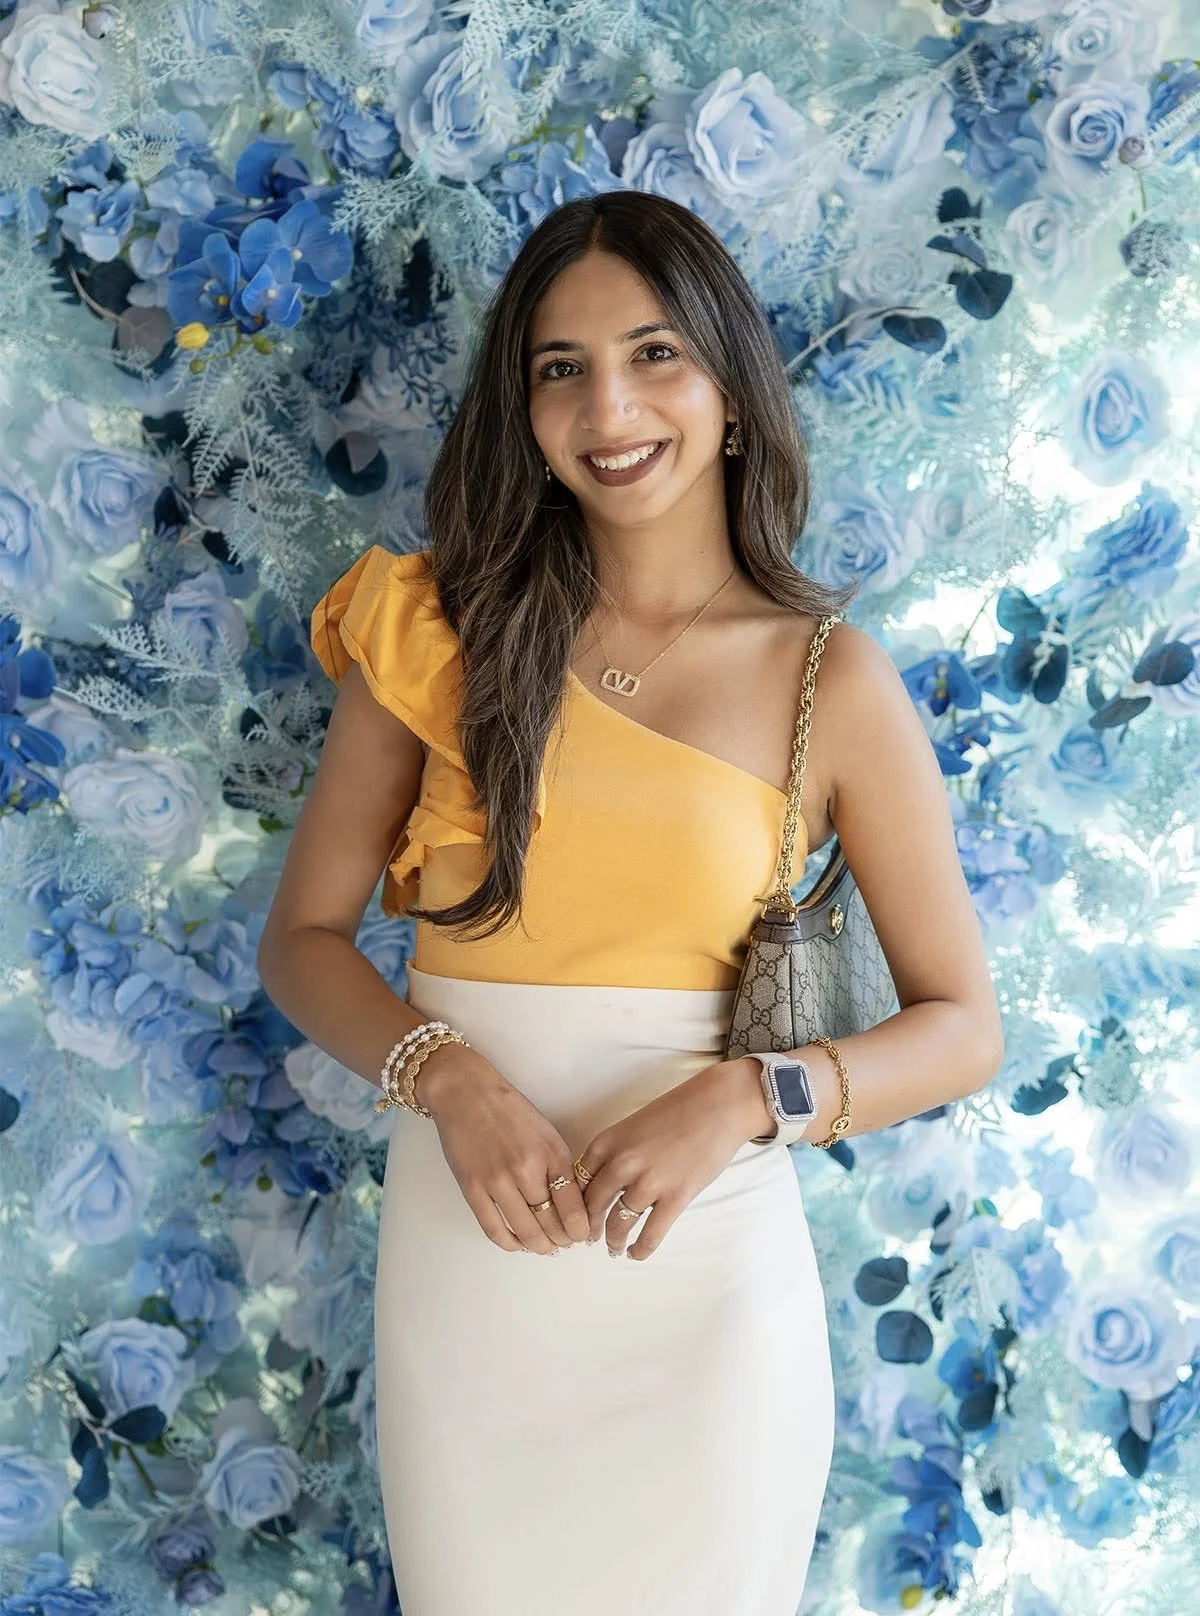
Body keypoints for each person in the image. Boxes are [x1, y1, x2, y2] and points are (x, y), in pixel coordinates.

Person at [256, 191, 1004, 1615]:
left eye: (655, 353)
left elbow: (963, 1026)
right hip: (473, 1272)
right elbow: (299, 942)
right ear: (523, 407)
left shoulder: (828, 679)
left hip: (711, 1286)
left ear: (728, 386)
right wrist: (451, 1077)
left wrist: (740, 1102)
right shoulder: (431, 633)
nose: (610, 404)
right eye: (561, 367)